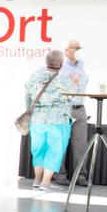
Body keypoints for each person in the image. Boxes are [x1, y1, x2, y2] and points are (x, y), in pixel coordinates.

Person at [25, 49, 75, 192]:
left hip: (37, 120)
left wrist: (30, 112)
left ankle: (37, 180)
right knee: (54, 151)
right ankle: (46, 183)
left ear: (47, 61)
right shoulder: (65, 80)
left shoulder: (35, 76)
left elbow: (28, 97)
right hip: (58, 122)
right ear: (61, 63)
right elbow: (75, 98)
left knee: (38, 150)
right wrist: (76, 83)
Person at [54, 40, 89, 186]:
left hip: (79, 109)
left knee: (80, 145)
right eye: (75, 49)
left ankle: (80, 176)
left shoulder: (82, 67)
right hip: (64, 109)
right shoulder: (60, 67)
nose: (77, 51)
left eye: (79, 48)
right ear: (66, 50)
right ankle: (59, 175)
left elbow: (82, 86)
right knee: (61, 144)